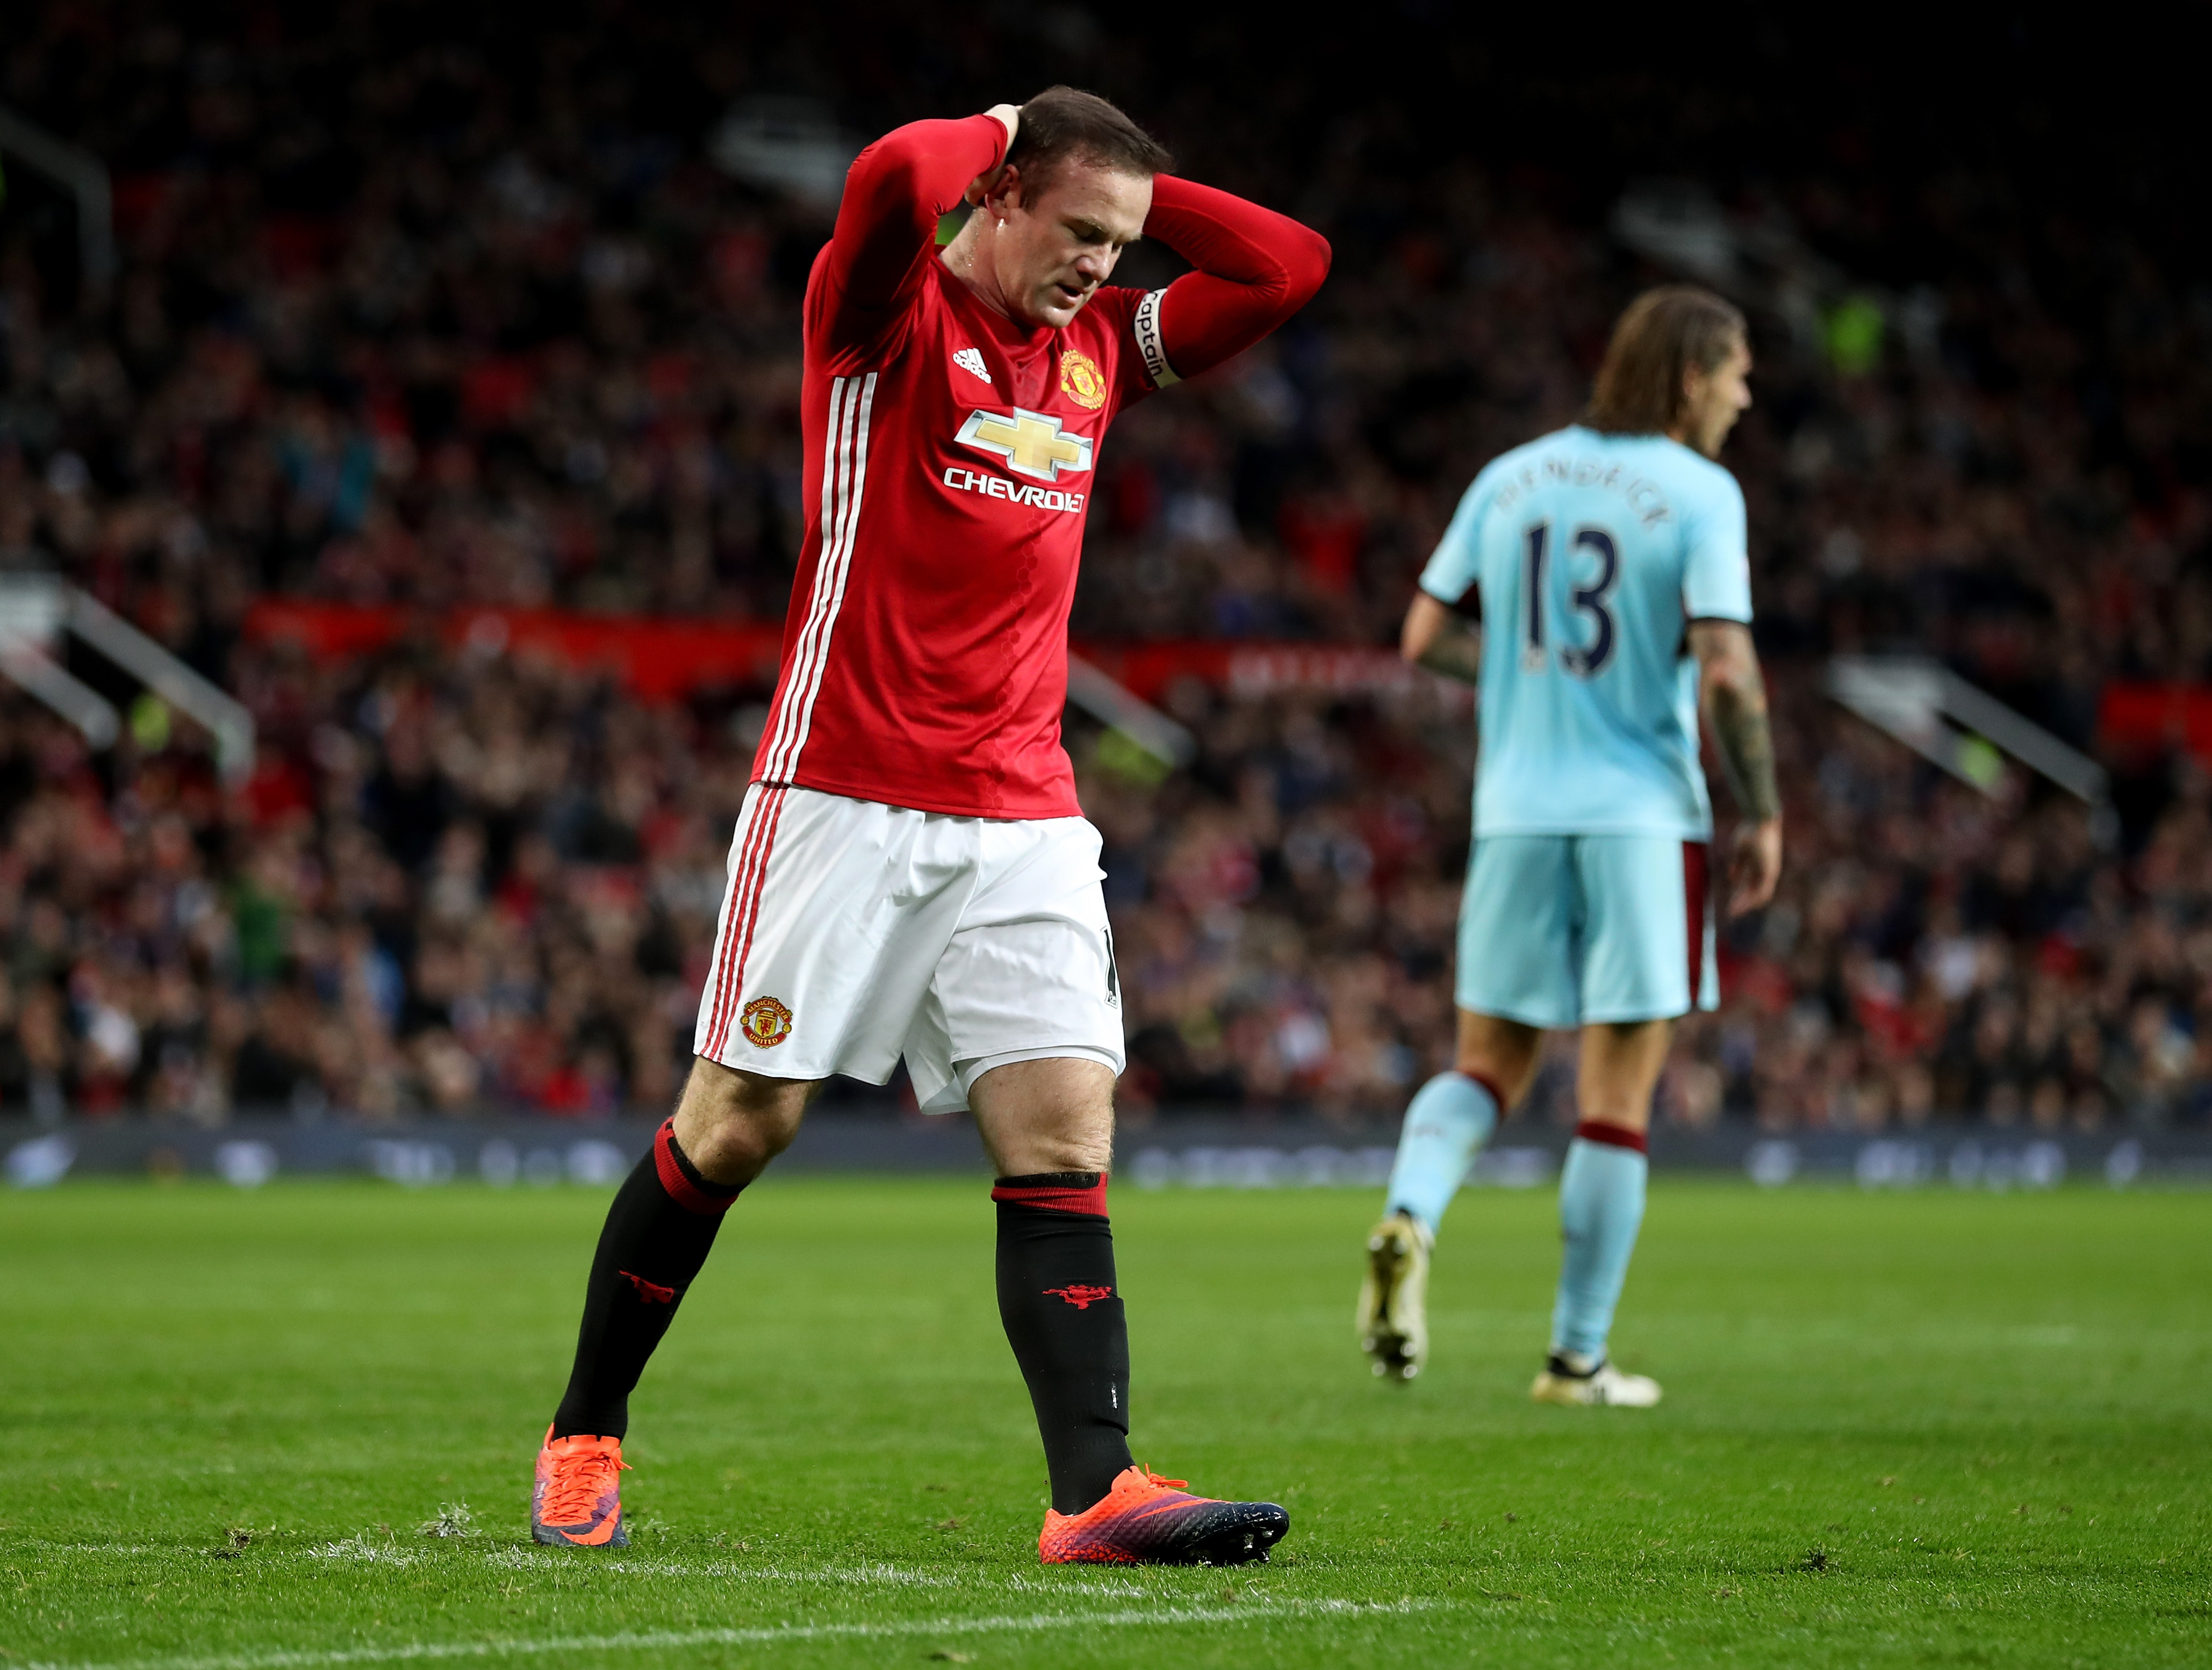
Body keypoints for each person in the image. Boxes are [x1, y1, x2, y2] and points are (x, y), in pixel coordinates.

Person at [531, 87, 1328, 1563]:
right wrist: (1011, 118)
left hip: (1022, 804)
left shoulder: (1092, 352)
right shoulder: (876, 322)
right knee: (736, 1123)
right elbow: (895, 171)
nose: (1102, 263)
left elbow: (1287, 267)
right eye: (1076, 229)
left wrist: (1137, 198)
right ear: (1003, 193)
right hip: (840, 789)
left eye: (1121, 241)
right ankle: (585, 1431)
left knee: (1060, 1128)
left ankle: (1092, 1490)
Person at [1356, 285, 1780, 1406]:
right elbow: (1729, 670)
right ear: (1692, 378)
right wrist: (1766, 808)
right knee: (1615, 1097)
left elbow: (1424, 636)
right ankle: (1575, 1358)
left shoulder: (1511, 476)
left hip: (1515, 813)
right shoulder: (1701, 492)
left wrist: (1513, 675)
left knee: (1486, 1066)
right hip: (1644, 817)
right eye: (1737, 374)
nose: (1746, 397)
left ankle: (1411, 1213)